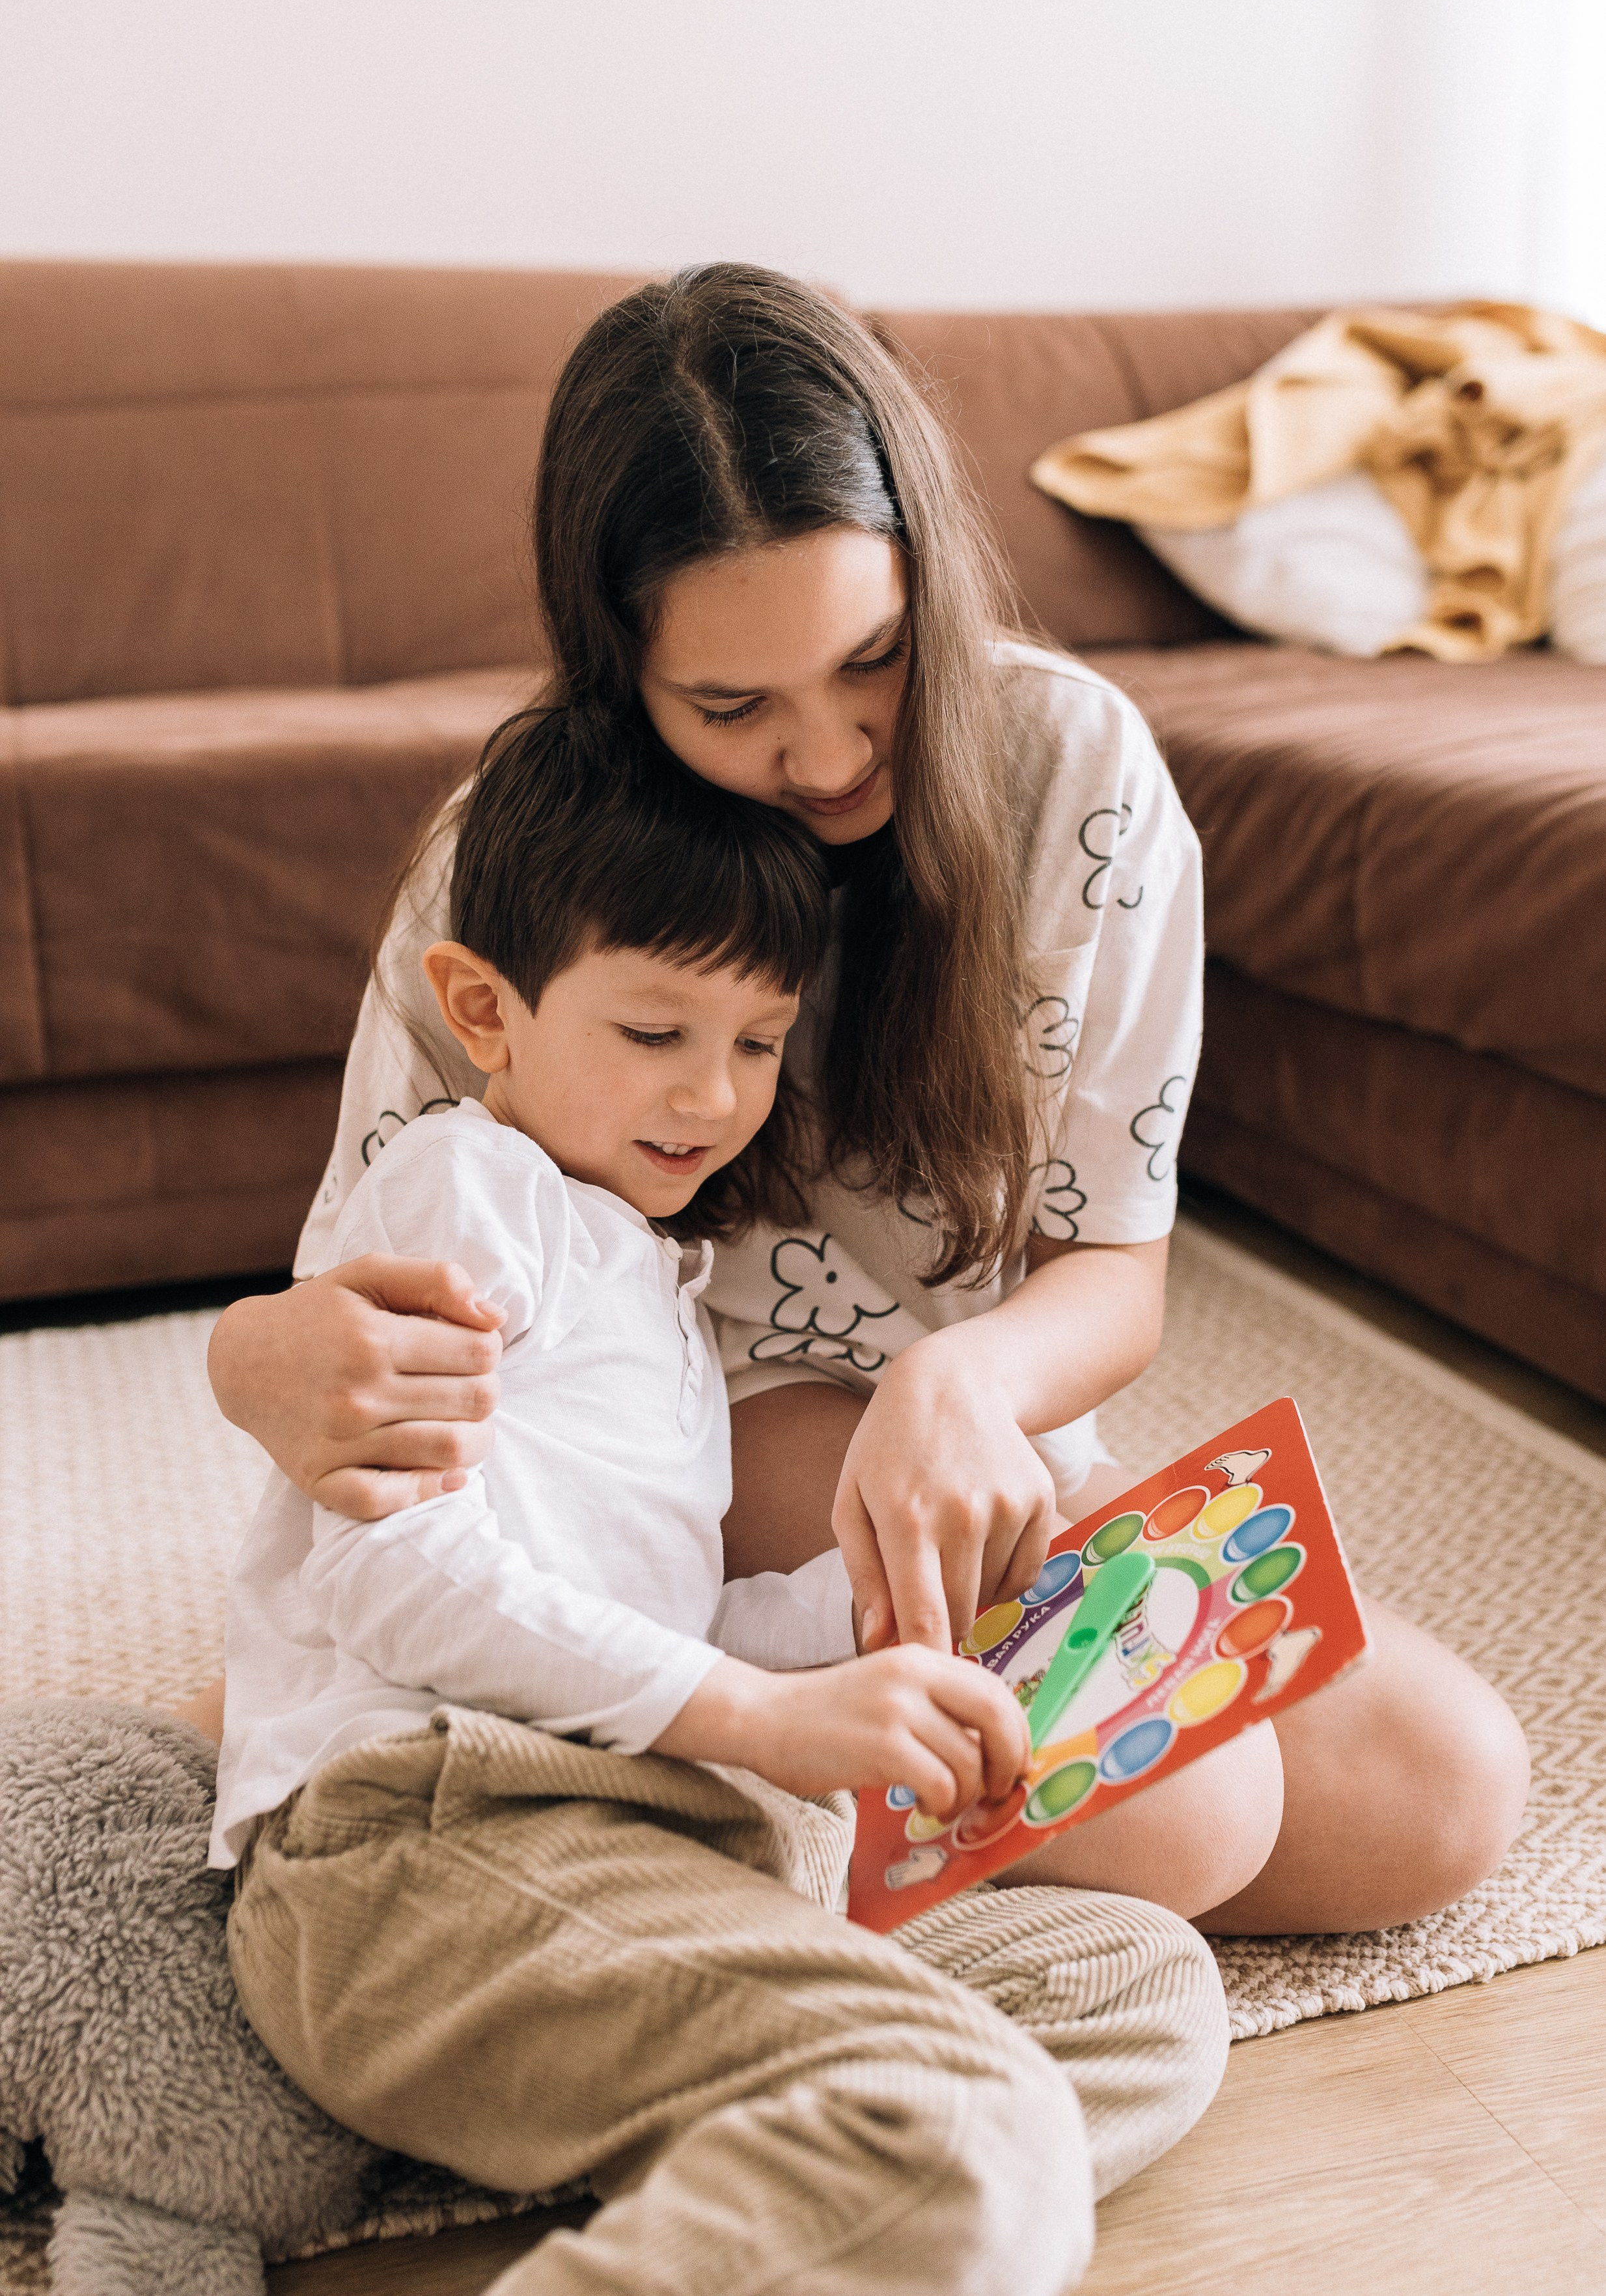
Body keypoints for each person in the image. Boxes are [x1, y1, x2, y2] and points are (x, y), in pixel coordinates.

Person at [203, 261, 1529, 1937]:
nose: (828, 756)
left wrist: (969, 1383)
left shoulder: (1076, 778)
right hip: (689, 1435)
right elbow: (372, 1304)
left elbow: (1113, 1271)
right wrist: (249, 1351)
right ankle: (556, 1760)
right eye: (731, 705)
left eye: (875, 659)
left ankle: (643, 1794)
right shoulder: (521, 864)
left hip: (964, 1430)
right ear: (621, 671)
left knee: (1440, 1789)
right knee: (1186, 1810)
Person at [218, 704, 1230, 2296]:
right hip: (418, 1834)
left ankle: (756, 2152)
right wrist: (764, 1718)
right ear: (483, 1010)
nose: (711, 1094)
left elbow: (659, 1625)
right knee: (968, 2127)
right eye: (651, 1034)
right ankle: (874, 2149)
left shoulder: (657, 1280)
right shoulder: (465, 1196)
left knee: (1141, 1984)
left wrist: (896, 1612)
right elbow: (395, 1582)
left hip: (647, 1836)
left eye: (755, 1041)